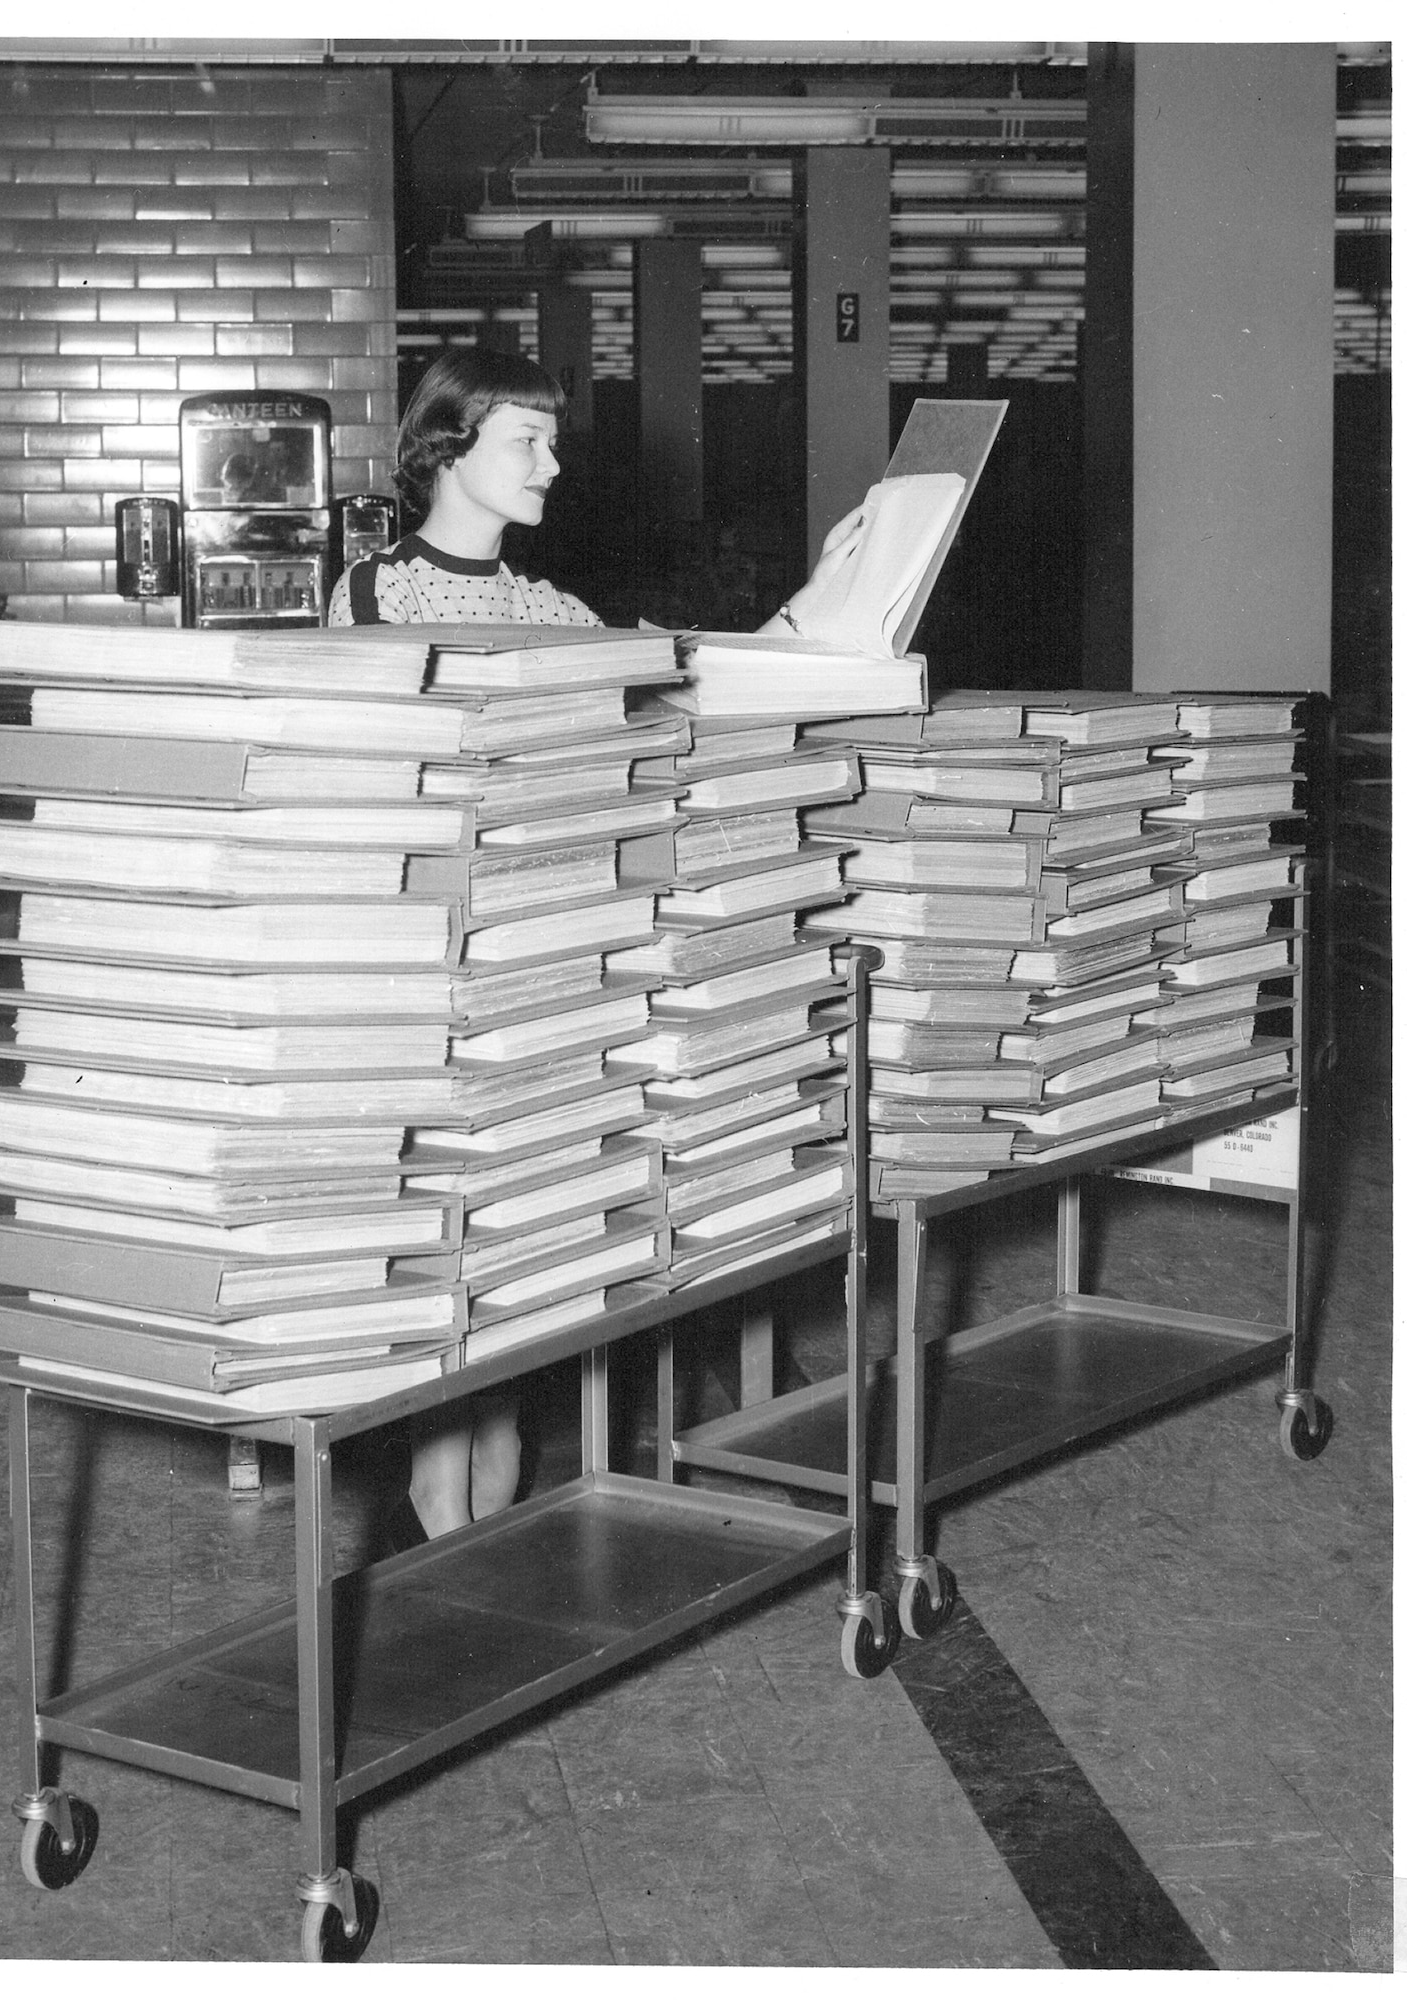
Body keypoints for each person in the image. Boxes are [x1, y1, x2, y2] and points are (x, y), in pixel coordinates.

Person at [329, 348, 867, 1551]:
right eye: (528, 441)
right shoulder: (371, 599)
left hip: (553, 995)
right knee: (450, 1324)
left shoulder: (552, 613)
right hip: (441, 1000)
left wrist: (820, 601)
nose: (554, 465)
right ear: (446, 449)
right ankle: (446, 1571)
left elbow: (694, 689)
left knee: (521, 1314)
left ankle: (489, 1574)